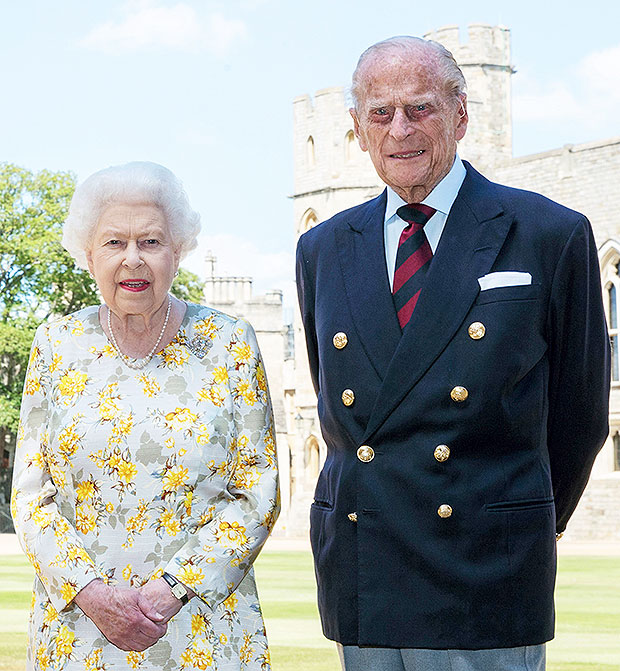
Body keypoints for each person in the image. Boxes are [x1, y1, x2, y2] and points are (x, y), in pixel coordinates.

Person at [295, 36, 610, 671]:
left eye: (421, 109)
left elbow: (581, 415)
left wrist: (513, 518)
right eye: (380, 114)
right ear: (356, 130)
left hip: (485, 569)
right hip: (366, 568)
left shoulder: (549, 233)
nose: (400, 130)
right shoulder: (324, 247)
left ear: (461, 115)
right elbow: (338, 402)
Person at [12, 161, 280, 670]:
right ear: (88, 256)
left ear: (177, 252)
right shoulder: (55, 345)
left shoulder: (229, 344)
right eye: (114, 243)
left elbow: (258, 493)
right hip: (79, 630)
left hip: (204, 629)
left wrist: (171, 590)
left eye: (151, 242)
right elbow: (30, 495)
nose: (132, 259)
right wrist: (91, 594)